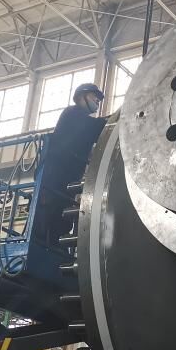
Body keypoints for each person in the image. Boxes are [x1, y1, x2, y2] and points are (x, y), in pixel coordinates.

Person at [35, 84, 107, 246]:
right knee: (48, 215)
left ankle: (54, 245)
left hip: (67, 180)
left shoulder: (82, 120)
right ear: (81, 96)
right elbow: (94, 128)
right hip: (54, 177)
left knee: (61, 217)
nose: (97, 100)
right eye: (94, 96)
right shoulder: (72, 114)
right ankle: (45, 243)